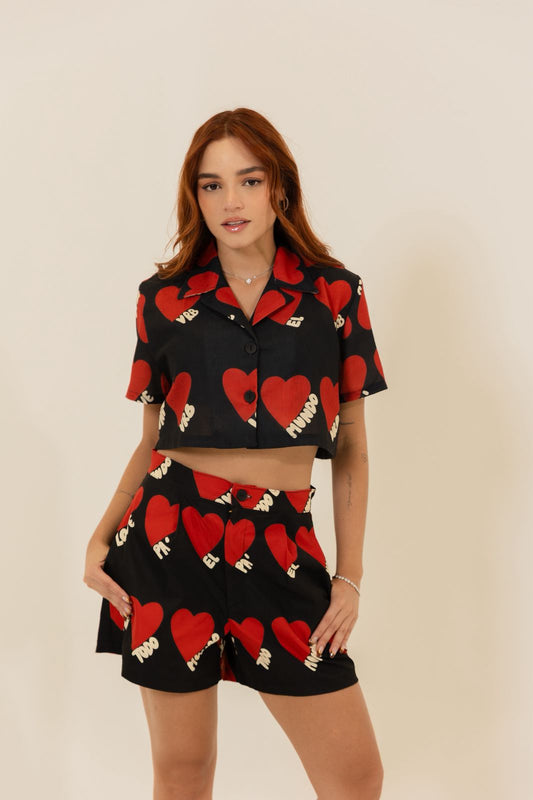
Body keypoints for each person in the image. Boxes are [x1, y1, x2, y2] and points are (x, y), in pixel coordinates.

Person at [84, 107, 388, 800]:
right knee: (183, 770)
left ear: (279, 186)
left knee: (355, 776)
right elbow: (152, 441)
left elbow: (351, 447)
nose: (231, 201)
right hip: (168, 540)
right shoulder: (163, 300)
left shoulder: (335, 294)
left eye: (249, 181)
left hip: (280, 545)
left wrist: (349, 576)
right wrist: (101, 537)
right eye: (211, 184)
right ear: (194, 196)